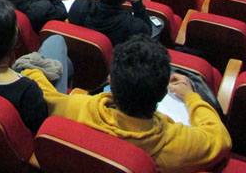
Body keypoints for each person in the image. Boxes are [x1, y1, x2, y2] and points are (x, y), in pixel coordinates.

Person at [23, 35, 232, 173]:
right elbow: (220, 137)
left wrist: (32, 71)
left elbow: (45, 93)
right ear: (162, 94)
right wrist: (191, 97)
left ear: (110, 82)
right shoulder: (177, 145)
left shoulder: (77, 106)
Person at [0, 0, 72, 133]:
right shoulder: (27, 91)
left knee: (67, 63)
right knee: (56, 41)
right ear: (12, 40)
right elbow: (42, 131)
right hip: (44, 124)